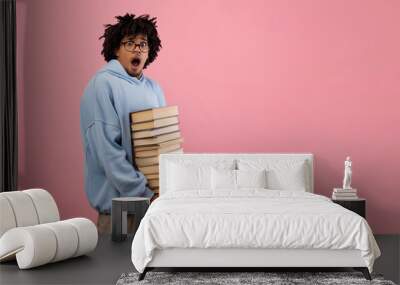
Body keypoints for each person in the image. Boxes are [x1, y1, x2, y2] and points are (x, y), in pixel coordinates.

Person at [80, 13, 166, 233]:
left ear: (150, 51)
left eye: (143, 44)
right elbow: (108, 152)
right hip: (118, 213)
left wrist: (167, 192)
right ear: (116, 49)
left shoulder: (154, 88)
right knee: (116, 268)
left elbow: (164, 144)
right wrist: (145, 194)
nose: (137, 49)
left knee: (156, 268)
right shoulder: (103, 85)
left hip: (155, 209)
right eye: (130, 43)